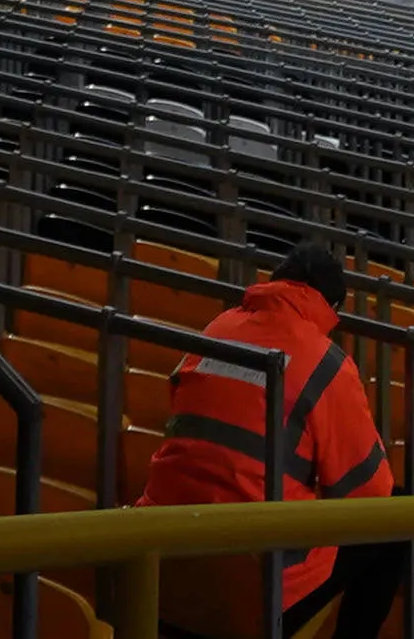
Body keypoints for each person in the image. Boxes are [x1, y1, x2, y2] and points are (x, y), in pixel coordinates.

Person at [139, 238, 399, 639]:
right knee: (396, 523)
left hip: (164, 553)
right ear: (332, 307)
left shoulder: (216, 328)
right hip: (257, 581)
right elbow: (371, 492)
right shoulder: (326, 362)